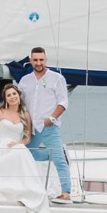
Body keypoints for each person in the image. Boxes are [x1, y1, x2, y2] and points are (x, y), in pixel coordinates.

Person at [0, 81, 50, 213]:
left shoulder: (25, 114)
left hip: (16, 146)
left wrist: (19, 143)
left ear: (19, 95)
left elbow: (27, 137)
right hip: (0, 146)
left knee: (20, 153)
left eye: (14, 94)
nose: (12, 97)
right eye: (9, 95)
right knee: (14, 155)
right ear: (5, 99)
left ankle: (25, 192)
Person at [18, 46, 71, 200]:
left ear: (46, 60)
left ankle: (66, 192)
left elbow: (63, 102)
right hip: (30, 127)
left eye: (41, 59)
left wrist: (52, 118)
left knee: (59, 161)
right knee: (25, 155)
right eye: (35, 60)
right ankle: (22, 188)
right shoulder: (24, 81)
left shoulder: (57, 78)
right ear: (30, 61)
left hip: (49, 126)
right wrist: (0, 112)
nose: (38, 62)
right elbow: (18, 102)